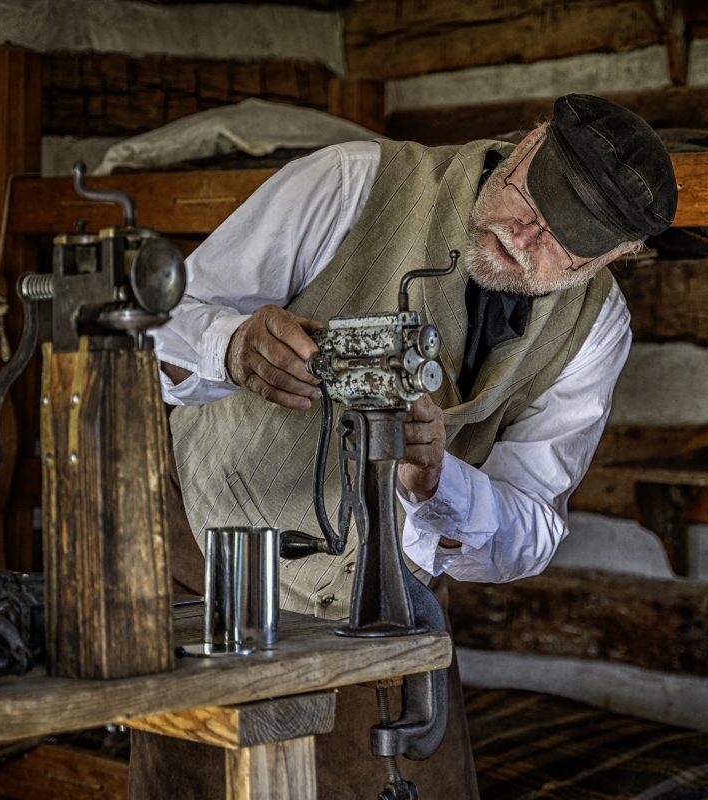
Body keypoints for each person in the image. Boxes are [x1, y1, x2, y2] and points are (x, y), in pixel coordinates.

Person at [154, 93, 677, 797]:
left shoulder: (595, 326)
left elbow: (530, 527)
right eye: (529, 201)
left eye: (565, 243)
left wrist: (439, 481)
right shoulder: (349, 183)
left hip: (382, 601)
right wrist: (231, 345)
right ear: (526, 144)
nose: (525, 239)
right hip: (211, 559)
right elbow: (161, 321)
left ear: (618, 255)